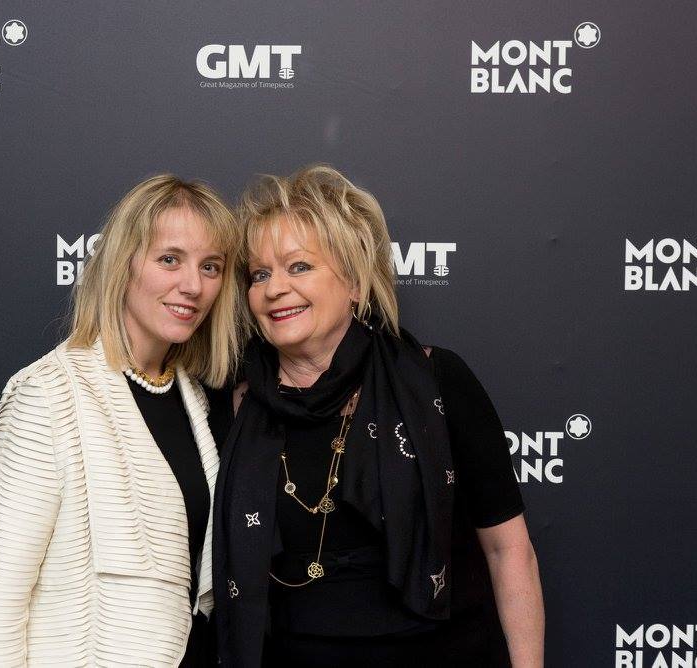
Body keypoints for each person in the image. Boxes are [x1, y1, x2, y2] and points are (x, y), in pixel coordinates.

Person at [213, 165, 545, 667]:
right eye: (260, 274)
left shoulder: (435, 381)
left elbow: (508, 550)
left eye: (299, 266)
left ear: (354, 282)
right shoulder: (234, 402)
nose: (274, 288)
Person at [0, 174, 243, 666]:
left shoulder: (197, 400)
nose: (193, 286)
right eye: (169, 259)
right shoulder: (48, 394)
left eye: (211, 267)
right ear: (123, 263)